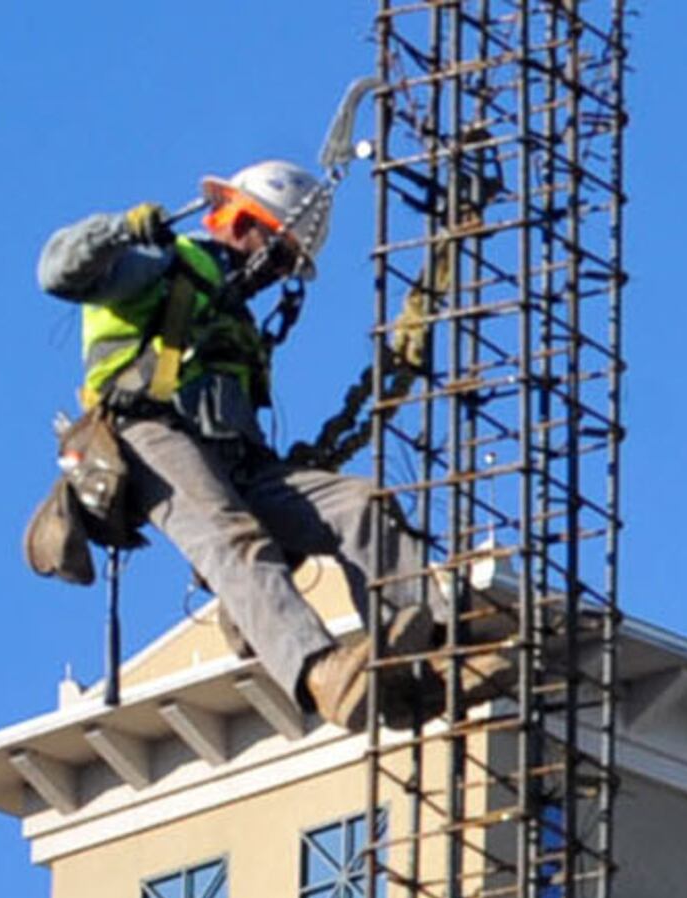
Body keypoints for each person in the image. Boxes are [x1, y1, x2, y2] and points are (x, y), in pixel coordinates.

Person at [36, 158, 434, 725]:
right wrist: (121, 231)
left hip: (237, 464)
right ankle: (320, 669)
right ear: (240, 221)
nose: (275, 274)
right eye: (276, 253)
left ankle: (422, 650)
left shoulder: (235, 315)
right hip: (147, 434)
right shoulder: (159, 265)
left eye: (288, 264)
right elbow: (57, 271)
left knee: (361, 506)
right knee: (233, 538)